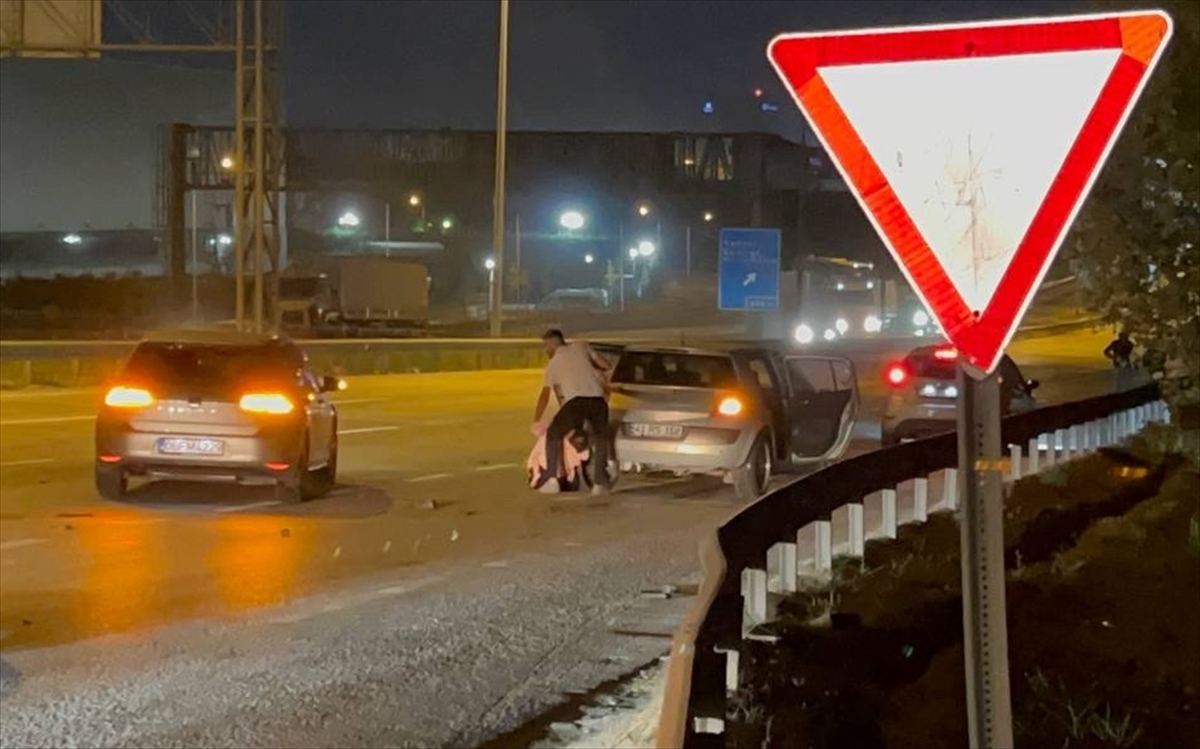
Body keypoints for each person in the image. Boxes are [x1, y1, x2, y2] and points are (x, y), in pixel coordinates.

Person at [531, 329, 611, 495]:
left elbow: (545, 396)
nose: (546, 350)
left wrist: (536, 420)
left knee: (554, 434)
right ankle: (599, 484)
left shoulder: (553, 364)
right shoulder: (582, 346)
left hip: (576, 403)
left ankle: (552, 479)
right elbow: (606, 365)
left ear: (553, 344)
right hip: (598, 401)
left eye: (546, 346)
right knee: (601, 438)